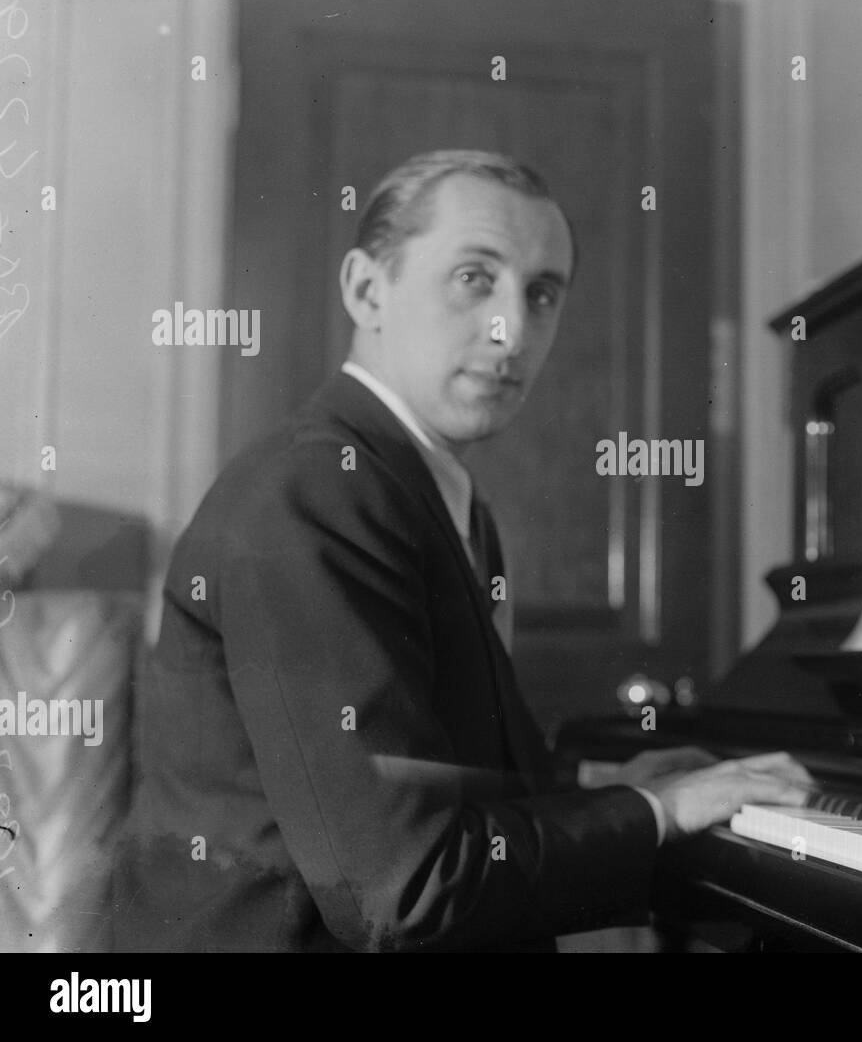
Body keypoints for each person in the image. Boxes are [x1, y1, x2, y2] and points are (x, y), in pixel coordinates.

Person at [112, 150, 810, 952]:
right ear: (367, 290)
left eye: (541, 293)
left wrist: (605, 790)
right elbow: (403, 890)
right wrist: (658, 813)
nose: (512, 331)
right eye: (475, 278)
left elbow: (423, 777)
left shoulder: (434, 497)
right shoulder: (315, 491)